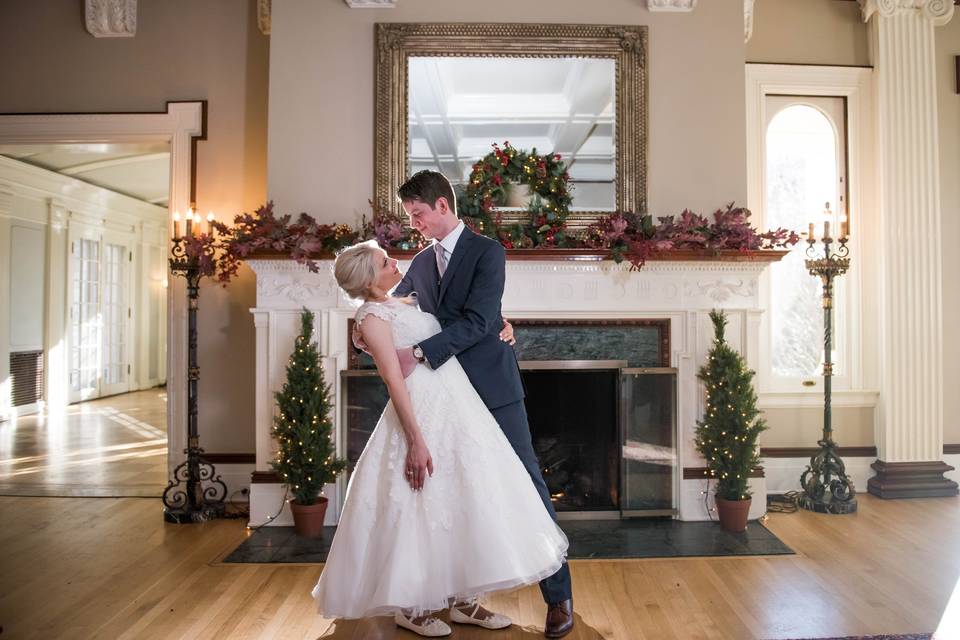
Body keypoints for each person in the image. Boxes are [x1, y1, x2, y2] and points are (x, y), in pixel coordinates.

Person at [311, 239, 568, 638]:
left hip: (460, 407)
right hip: (422, 413)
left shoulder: (406, 301)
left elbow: (462, 320)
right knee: (423, 504)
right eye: (384, 262)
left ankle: (464, 601)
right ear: (369, 277)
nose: (394, 261)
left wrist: (500, 321)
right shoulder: (372, 319)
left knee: (465, 495)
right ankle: (412, 607)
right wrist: (416, 439)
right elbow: (394, 382)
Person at [391, 170, 575, 638]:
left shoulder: (487, 252)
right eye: (410, 216)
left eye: (418, 214)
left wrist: (417, 353)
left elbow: (478, 320)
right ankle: (459, 598)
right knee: (456, 492)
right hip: (447, 396)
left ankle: (559, 596)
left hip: (493, 390)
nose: (415, 224)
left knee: (528, 484)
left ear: (442, 207)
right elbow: (388, 305)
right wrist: (361, 329)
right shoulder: (420, 261)